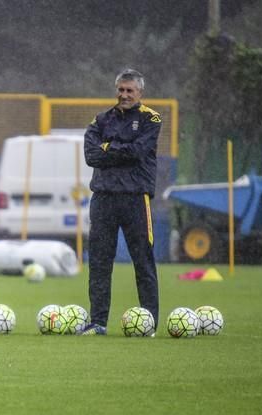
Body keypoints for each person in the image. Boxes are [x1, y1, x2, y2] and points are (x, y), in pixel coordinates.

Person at [81, 68, 162, 335]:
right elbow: (91, 155)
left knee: (143, 261)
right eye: (121, 90)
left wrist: (109, 147)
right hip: (103, 199)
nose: (124, 95)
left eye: (130, 91)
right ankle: (98, 322)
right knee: (100, 263)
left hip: (136, 199)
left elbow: (138, 151)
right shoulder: (102, 119)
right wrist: (120, 148)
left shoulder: (151, 119)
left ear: (140, 93)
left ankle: (149, 323)